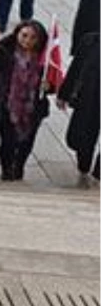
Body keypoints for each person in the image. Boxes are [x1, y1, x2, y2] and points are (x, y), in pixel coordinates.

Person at [0, 20, 51, 181]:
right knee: (8, 140)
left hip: (32, 107)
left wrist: (49, 86)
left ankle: (19, 166)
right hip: (5, 103)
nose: (27, 40)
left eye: (33, 37)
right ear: (17, 34)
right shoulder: (5, 49)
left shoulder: (45, 58)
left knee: (26, 142)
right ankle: (7, 169)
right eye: (24, 35)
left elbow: (53, 82)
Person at [61, 26, 101, 189]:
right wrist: (64, 93)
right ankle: (83, 168)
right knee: (81, 138)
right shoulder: (90, 41)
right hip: (89, 100)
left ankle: (99, 173)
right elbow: (75, 69)